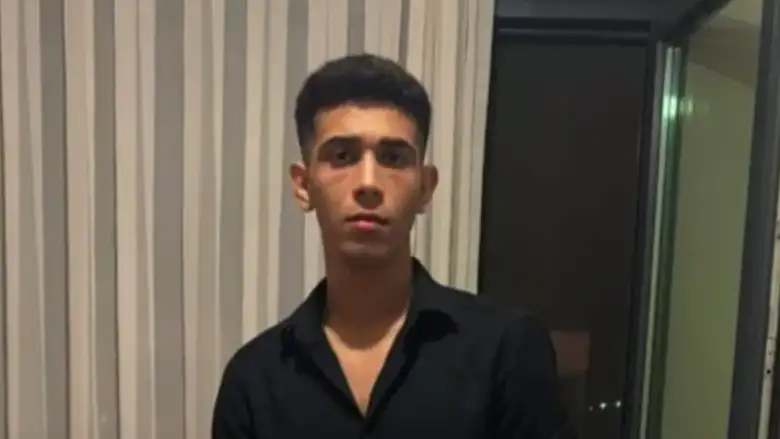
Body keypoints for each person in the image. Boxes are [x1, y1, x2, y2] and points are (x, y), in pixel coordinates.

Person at [212, 54, 574, 439]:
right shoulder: (254, 379)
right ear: (304, 186)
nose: (368, 182)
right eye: (342, 156)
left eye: (394, 158)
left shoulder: (505, 351)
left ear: (425, 188)